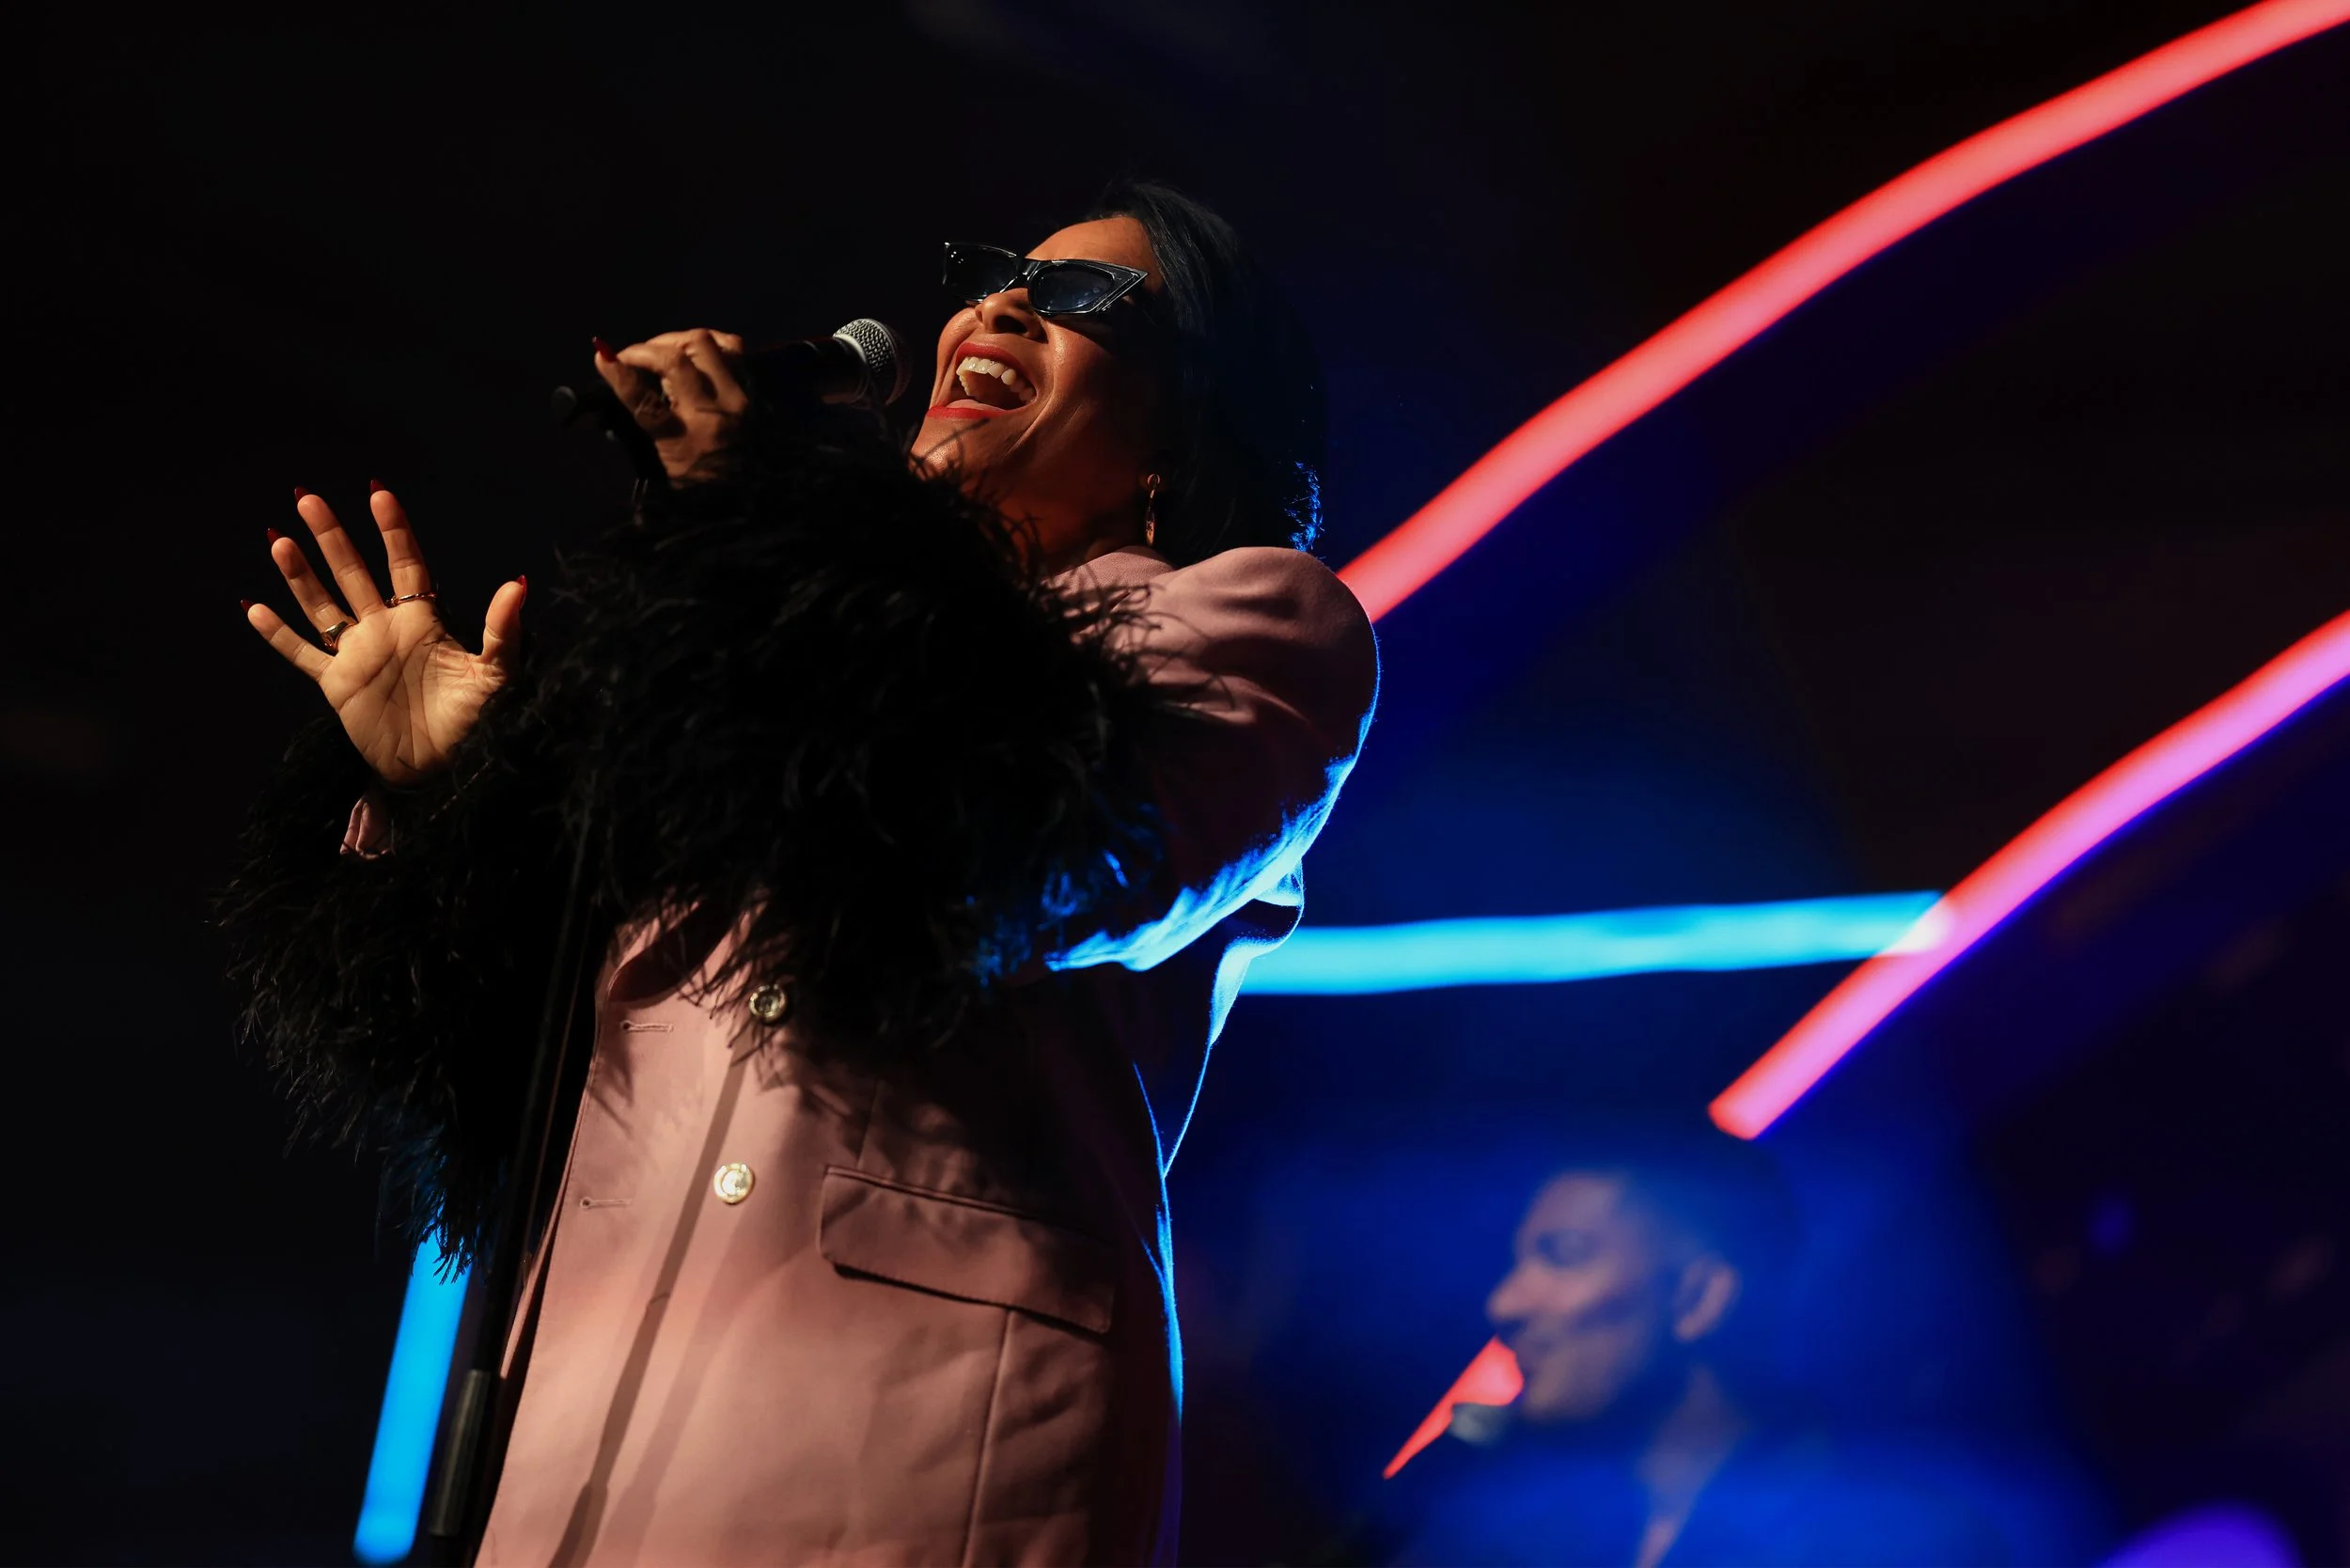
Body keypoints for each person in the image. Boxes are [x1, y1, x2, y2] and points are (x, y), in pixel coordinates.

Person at [222, 182, 1377, 1565]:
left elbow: (1006, 850)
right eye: (996, 272)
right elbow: (529, 1057)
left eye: (1079, 298)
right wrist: (454, 795)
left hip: (921, 1430)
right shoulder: (748, 679)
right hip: (598, 1417)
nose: (1001, 302)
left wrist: (758, 526)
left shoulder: (1253, 622)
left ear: (1182, 432)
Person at [1384, 1125, 2004, 1566]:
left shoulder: (1898, 1540)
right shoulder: (1498, 1535)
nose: (1505, 1304)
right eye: (1516, 1262)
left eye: (1562, 1257)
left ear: (1696, 1296)